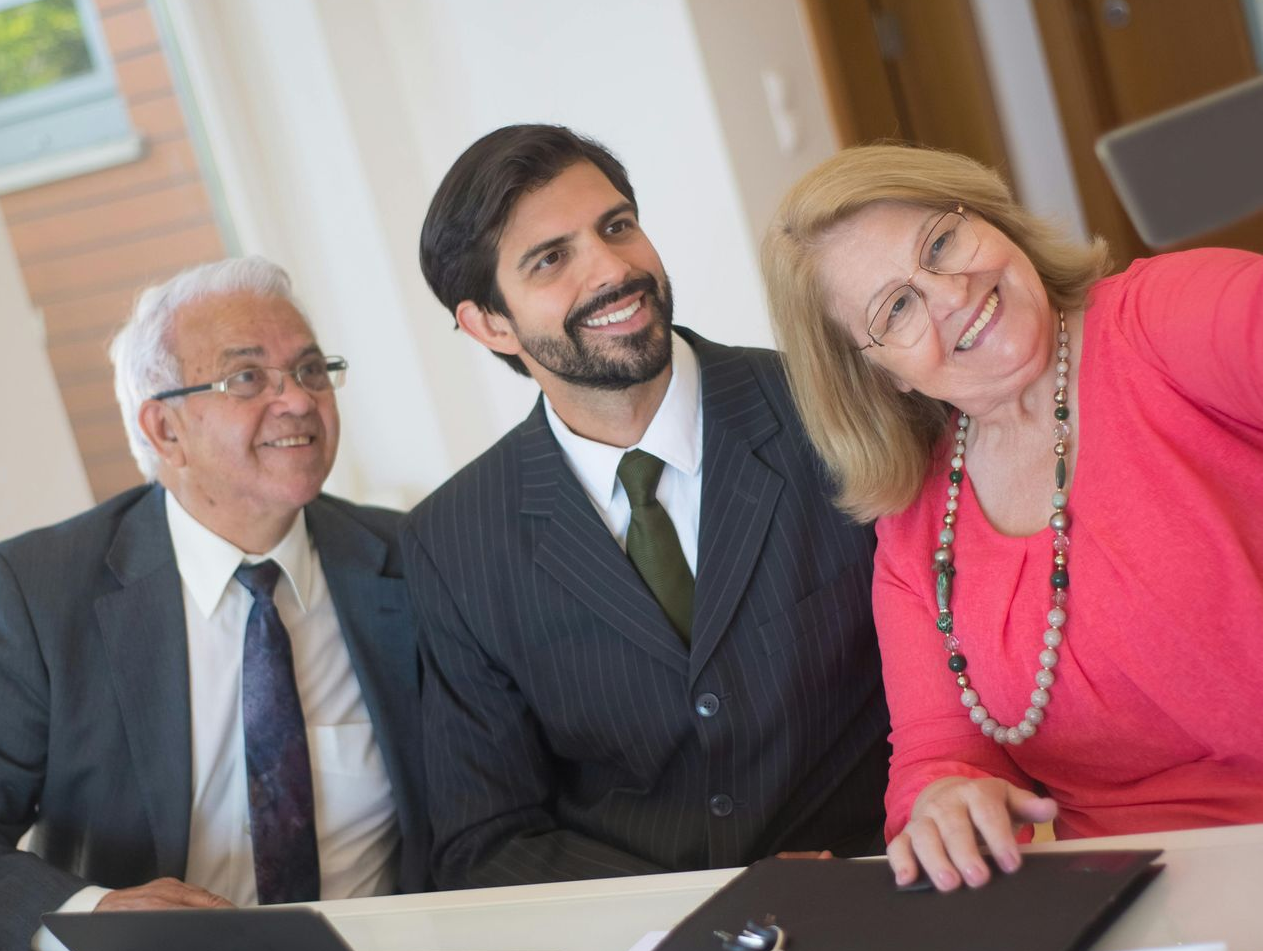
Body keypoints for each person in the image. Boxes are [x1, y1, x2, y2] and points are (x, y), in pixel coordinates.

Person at [762, 142, 1263, 892]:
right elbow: (941, 753)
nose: (949, 293)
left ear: (989, 218)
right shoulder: (918, 529)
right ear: (878, 373)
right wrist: (945, 801)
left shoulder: (1166, 319)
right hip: (1140, 899)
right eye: (896, 307)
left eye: (941, 242)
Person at [406, 123, 889, 888]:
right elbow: (488, 838)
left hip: (883, 889)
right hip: (643, 936)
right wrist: (700, 905)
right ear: (489, 324)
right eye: (550, 258)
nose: (612, 269)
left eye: (616, 226)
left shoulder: (826, 405)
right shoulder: (451, 539)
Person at [0, 257, 427, 951]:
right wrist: (92, 915)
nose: (298, 400)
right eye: (247, 378)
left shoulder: (413, 562)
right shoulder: (39, 593)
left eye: (311, 370)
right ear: (164, 429)